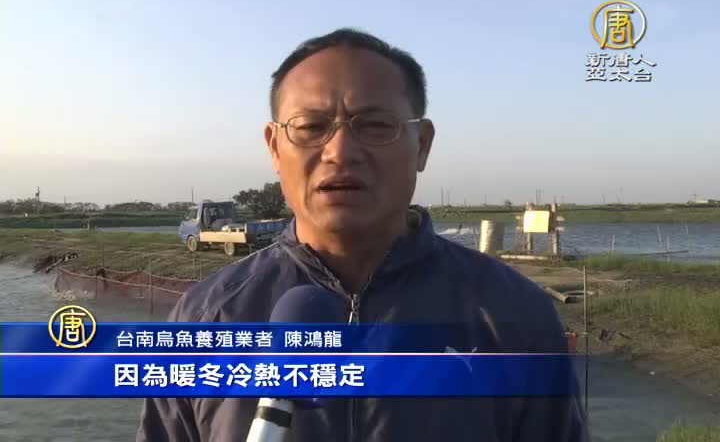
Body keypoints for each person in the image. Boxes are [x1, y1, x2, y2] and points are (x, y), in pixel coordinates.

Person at [137, 28, 588, 442]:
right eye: (310, 127)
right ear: (274, 147)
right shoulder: (204, 320)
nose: (340, 151)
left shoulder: (515, 316)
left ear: (422, 145)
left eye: (374, 126)